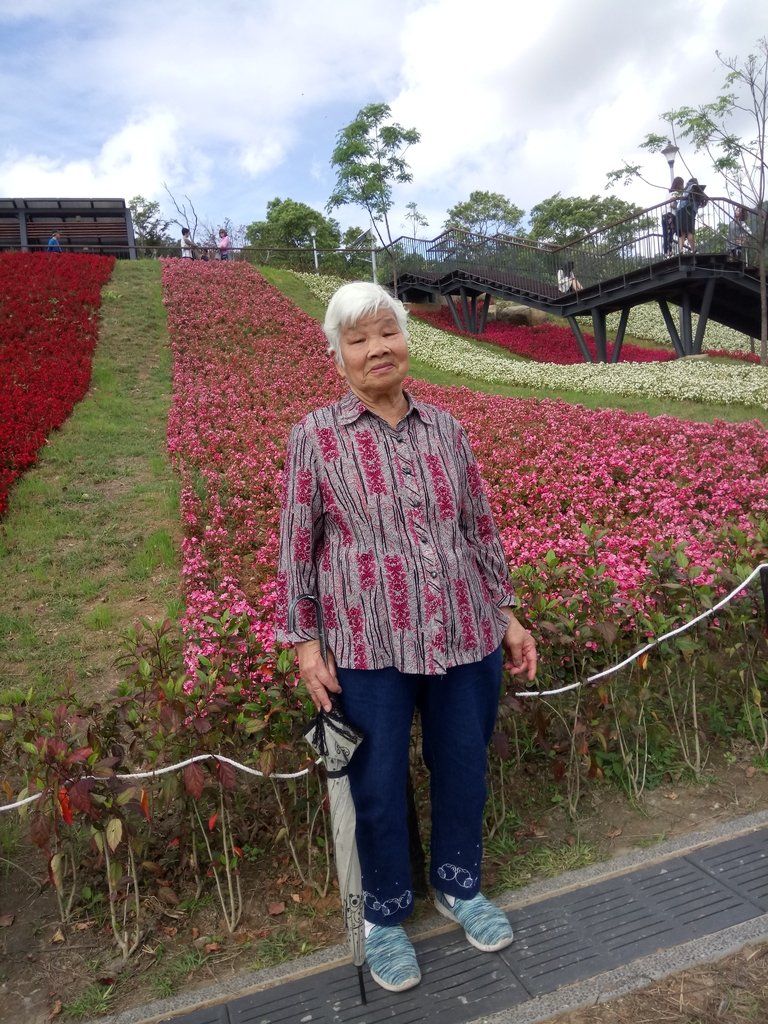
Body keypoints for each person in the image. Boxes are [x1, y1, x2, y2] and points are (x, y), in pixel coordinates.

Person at [276, 282, 537, 994]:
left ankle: (458, 884)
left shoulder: (447, 430)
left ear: (406, 340)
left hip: (463, 631)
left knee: (463, 764)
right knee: (379, 782)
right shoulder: (317, 436)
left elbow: (478, 529)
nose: (375, 349)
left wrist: (506, 614)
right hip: (366, 644)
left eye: (385, 333)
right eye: (356, 340)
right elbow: (297, 547)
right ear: (338, 357)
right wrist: (305, 643)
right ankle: (385, 915)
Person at [676, 177, 707, 253]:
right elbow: (705, 199)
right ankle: (693, 250)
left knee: (682, 232)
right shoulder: (694, 187)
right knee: (690, 231)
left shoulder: (685, 189)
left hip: (680, 211)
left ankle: (680, 250)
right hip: (688, 210)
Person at [662, 176, 684, 257]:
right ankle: (670, 252)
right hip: (671, 215)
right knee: (671, 234)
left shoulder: (669, 192)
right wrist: (678, 207)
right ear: (679, 184)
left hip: (664, 215)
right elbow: (672, 205)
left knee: (666, 234)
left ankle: (666, 252)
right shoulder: (675, 193)